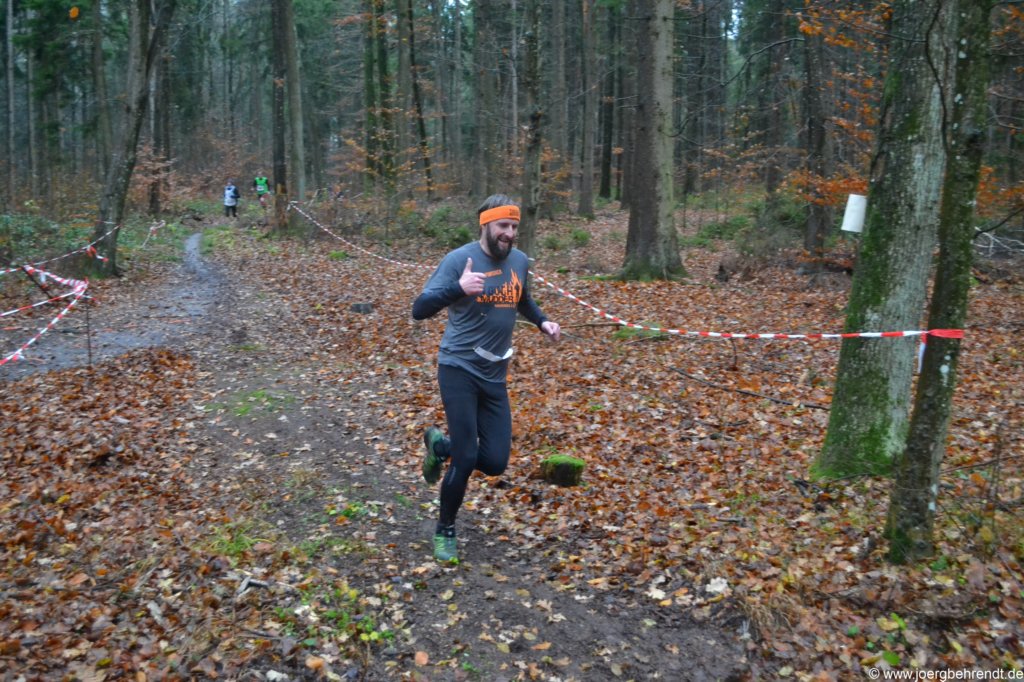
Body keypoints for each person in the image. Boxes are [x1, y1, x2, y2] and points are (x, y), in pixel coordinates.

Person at [412, 194, 561, 564]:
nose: (509, 233)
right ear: (485, 225)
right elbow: (420, 309)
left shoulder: (520, 260)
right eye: (502, 226)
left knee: (494, 461)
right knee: (466, 456)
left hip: (495, 375)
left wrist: (542, 321)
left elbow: (522, 299)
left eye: (514, 226)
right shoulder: (458, 260)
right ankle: (445, 530)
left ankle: (440, 447)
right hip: (458, 368)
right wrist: (458, 289)